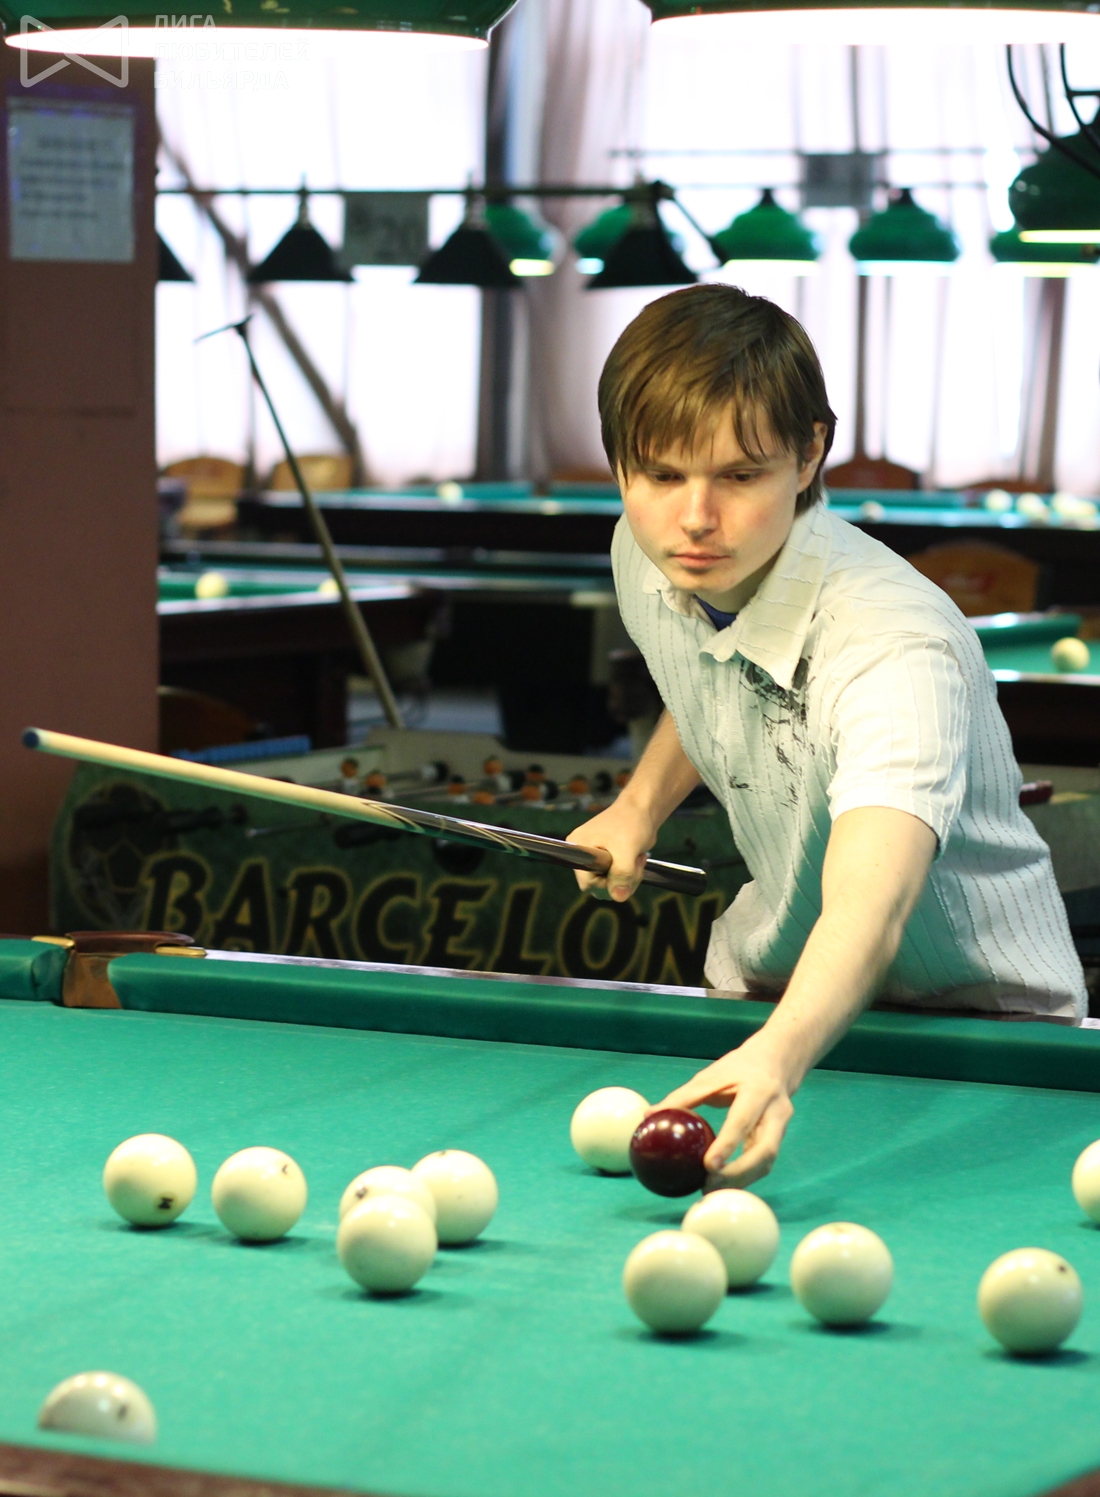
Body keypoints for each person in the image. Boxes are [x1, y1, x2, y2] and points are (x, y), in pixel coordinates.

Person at [566, 284, 1085, 1191]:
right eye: (660, 474)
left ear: (810, 453)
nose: (694, 517)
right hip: (769, 991)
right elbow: (710, 670)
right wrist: (638, 806)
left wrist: (780, 1055)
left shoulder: (893, 643)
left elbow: (872, 902)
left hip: (983, 1029)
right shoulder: (646, 556)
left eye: (739, 476)